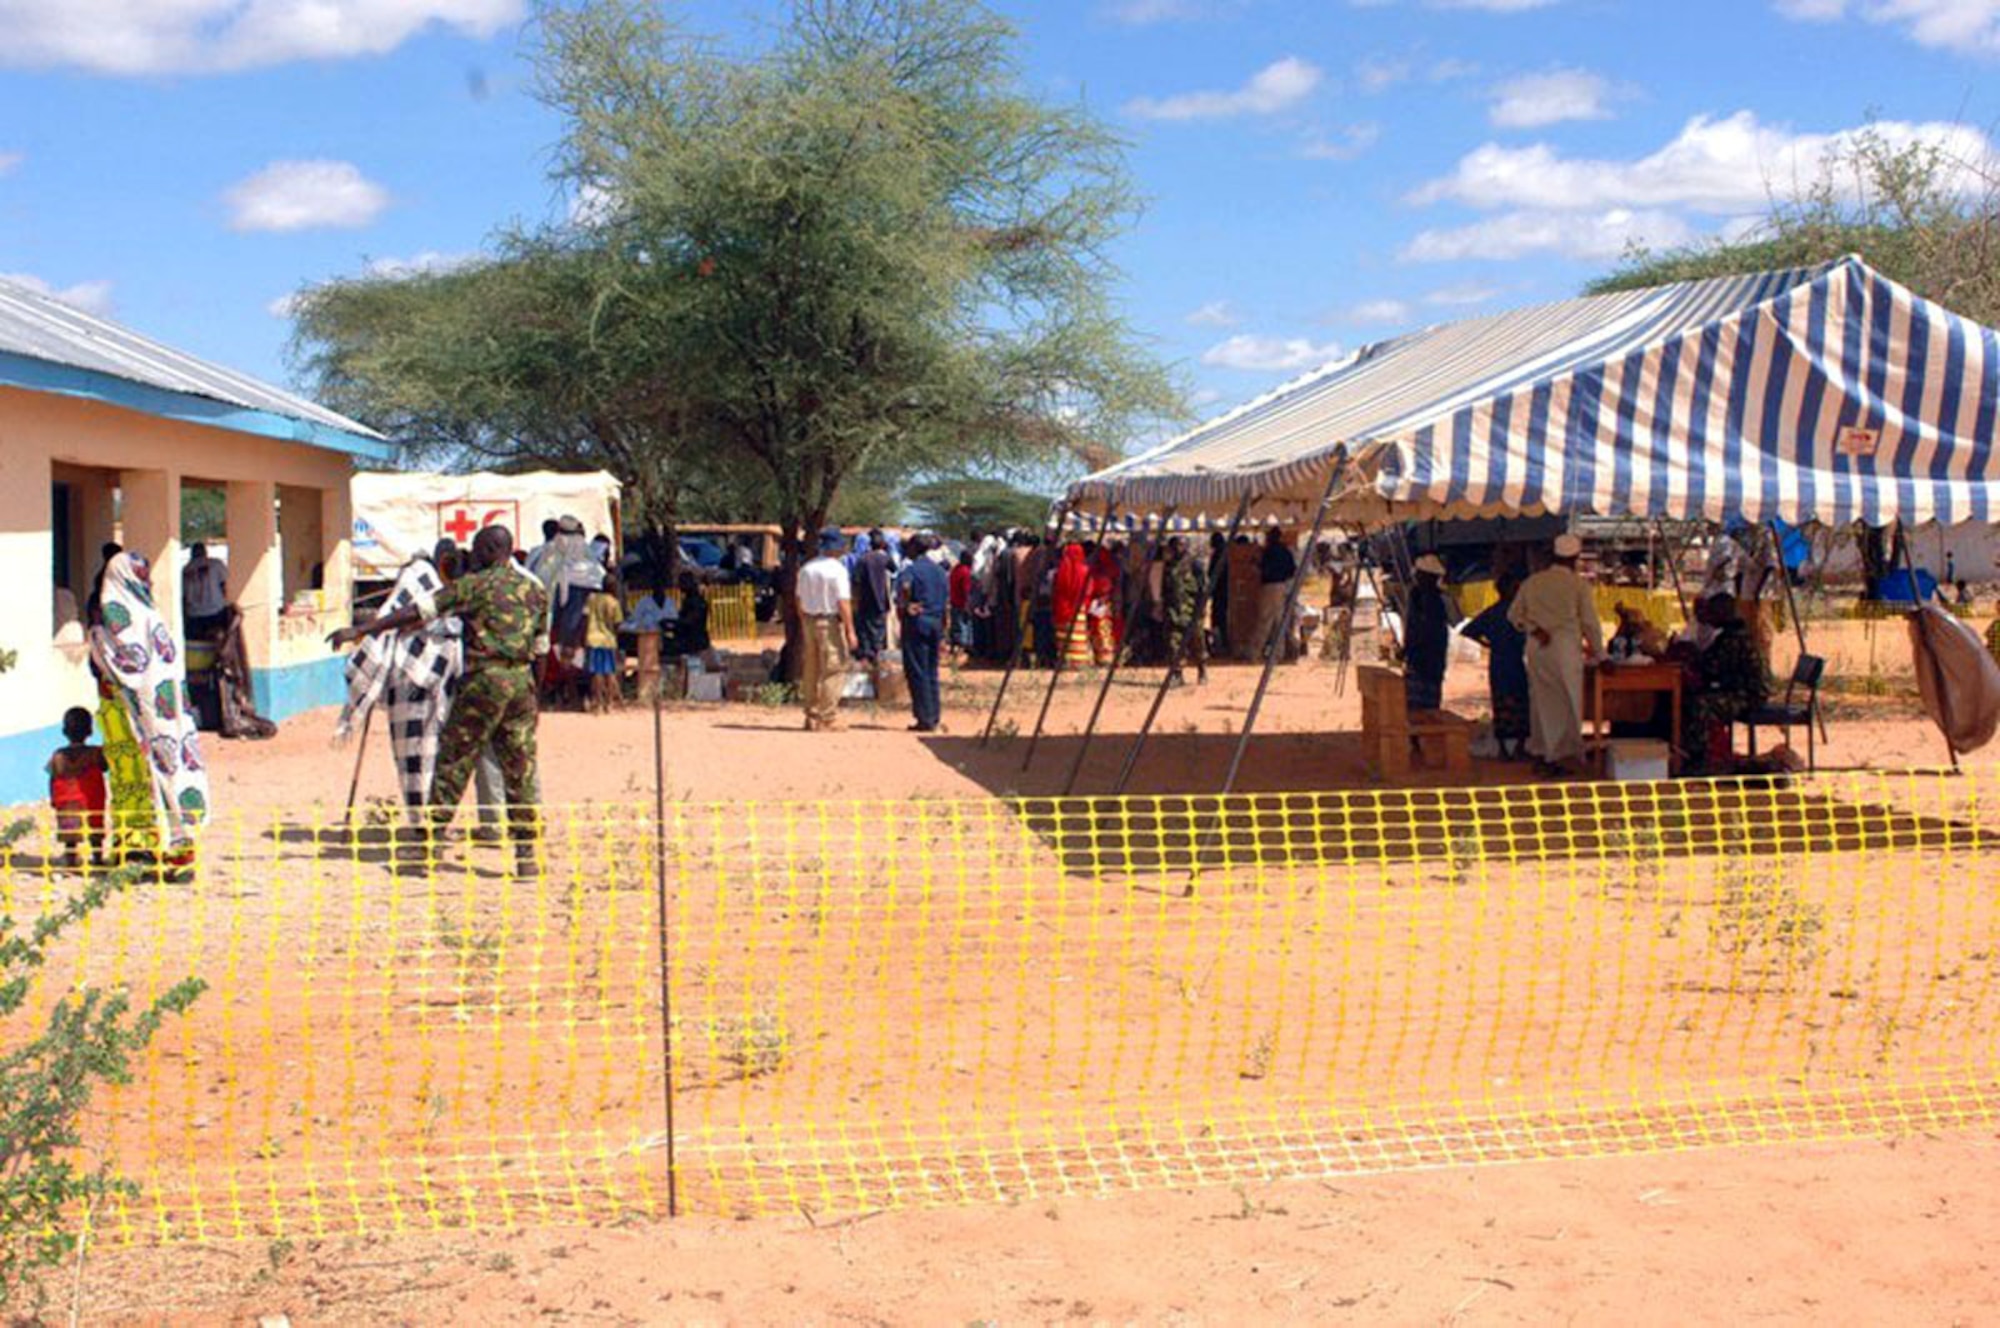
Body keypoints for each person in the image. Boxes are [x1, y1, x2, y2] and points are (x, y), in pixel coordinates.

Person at [330, 524, 547, 867]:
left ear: (491, 549)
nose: (472, 556)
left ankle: (428, 843)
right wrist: (538, 699)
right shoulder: (534, 590)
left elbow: (416, 611)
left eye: (477, 549)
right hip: (522, 684)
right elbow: (541, 649)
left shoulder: (475, 586)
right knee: (520, 766)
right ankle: (526, 855)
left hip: (484, 683)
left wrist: (362, 629)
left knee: (453, 761)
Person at [88, 551, 209, 874]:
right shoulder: (152, 615)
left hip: (136, 715)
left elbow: (121, 665)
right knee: (170, 773)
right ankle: (179, 849)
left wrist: (95, 637)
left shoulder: (119, 618)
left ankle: (145, 851)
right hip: (169, 719)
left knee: (141, 778)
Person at [336, 553, 464, 813]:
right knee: (431, 754)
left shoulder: (416, 586)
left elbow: (393, 621)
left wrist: (363, 633)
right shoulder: (444, 598)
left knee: (414, 757)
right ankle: (431, 818)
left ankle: (422, 819)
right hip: (435, 683)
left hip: (409, 684)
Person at [1509, 535, 1603, 777]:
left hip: (1537, 647)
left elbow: (1514, 615)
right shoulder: (1578, 585)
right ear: (1575, 559)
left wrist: (1534, 629)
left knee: (1541, 700)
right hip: (1564, 648)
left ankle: (1542, 751)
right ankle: (1560, 755)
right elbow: (1590, 623)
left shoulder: (1533, 582)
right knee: (1568, 701)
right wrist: (1601, 654)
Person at [1678, 593, 1768, 774]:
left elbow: (1712, 668)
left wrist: (1694, 656)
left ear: (1723, 613)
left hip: (1747, 696)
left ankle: (1700, 759)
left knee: (1699, 705)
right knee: (1691, 698)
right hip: (1733, 690)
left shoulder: (1735, 638)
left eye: (1712, 612)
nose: (1709, 617)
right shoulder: (1727, 635)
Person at [1462, 571, 1530, 760]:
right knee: (1521, 703)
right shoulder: (1517, 612)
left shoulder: (1492, 612)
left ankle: (1504, 750)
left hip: (1499, 662)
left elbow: (1468, 631)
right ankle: (1519, 747)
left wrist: (1488, 644)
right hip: (1515, 662)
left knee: (1501, 704)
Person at [797, 527, 857, 731]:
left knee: (811, 668)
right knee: (834, 667)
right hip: (827, 621)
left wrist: (804, 620)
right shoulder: (837, 570)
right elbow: (843, 602)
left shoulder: (806, 568)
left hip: (808, 621)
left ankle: (811, 715)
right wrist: (850, 630)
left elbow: (798, 599)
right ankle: (827, 716)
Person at [897, 533, 951, 732]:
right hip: (936, 622)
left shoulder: (911, 570)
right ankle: (934, 715)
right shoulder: (940, 572)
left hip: (917, 623)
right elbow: (947, 603)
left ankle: (924, 718)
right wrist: (945, 631)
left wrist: (905, 605)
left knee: (917, 670)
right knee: (931, 671)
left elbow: (904, 587)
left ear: (913, 549)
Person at [47, 706, 108, 869]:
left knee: (69, 829)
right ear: (90, 730)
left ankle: (71, 859)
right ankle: (97, 858)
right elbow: (105, 767)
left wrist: (53, 798)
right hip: (92, 797)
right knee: (95, 825)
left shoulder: (58, 755)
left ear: (64, 731)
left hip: (66, 798)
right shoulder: (96, 753)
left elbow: (52, 776)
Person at [1402, 555, 1450, 714]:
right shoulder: (1416, 596)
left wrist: (1411, 648)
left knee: (1426, 703)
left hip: (1429, 658)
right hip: (1417, 658)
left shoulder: (1435, 601)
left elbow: (1427, 631)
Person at [1161, 536, 1209, 686]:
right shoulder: (1169, 565)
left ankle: (1202, 669)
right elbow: (1166, 588)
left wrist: (1201, 609)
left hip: (1192, 611)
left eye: (1180, 545)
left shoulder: (1195, 565)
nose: (1177, 548)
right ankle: (1177, 673)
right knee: (1174, 643)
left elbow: (1203, 588)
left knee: (1197, 642)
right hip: (1174, 612)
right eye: (1174, 546)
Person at [1253, 526, 1297, 663]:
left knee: (1264, 620)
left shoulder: (1268, 551)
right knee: (1279, 621)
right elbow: (1292, 570)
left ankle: (1256, 653)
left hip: (1268, 586)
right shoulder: (1285, 552)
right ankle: (1278, 654)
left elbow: (1263, 568)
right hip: (1281, 586)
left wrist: (1256, 563)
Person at [585, 571, 625, 714]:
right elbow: (617, 624)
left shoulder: (592, 598)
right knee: (609, 672)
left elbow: (585, 616)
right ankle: (609, 702)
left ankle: (597, 701)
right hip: (608, 640)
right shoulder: (614, 603)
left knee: (596, 672)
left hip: (593, 638)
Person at [853, 530, 894, 663]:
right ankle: (877, 653)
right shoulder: (885, 558)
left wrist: (855, 599)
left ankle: (866, 653)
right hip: (881, 599)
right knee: (879, 628)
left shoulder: (863, 559)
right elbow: (894, 569)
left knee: (864, 627)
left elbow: (856, 581)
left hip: (865, 600)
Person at [1052, 542, 1092, 668]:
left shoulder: (1061, 570)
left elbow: (1056, 589)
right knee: (1078, 634)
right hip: (1079, 608)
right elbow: (1089, 589)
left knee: (1064, 635)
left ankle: (1065, 661)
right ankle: (1079, 661)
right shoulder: (1085, 571)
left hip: (1063, 607)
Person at [183, 541, 230, 640]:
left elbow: (183, 595)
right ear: (205, 551)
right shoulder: (216, 564)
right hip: (215, 611)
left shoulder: (186, 569)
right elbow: (224, 586)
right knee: (218, 642)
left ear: (191, 553)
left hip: (194, 614)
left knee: (197, 643)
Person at [1086, 542, 1123, 665]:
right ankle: (1106, 656)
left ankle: (1103, 657)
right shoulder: (1109, 568)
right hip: (1104, 603)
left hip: (1101, 603)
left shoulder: (1100, 570)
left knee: (1100, 630)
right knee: (1103, 630)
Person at [674, 570, 711, 657]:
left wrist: (676, 623)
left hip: (695, 641)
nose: (679, 586)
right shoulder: (688, 600)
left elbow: (691, 620)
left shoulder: (695, 601)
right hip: (692, 639)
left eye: (682, 583)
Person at [948, 548, 975, 658]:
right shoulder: (965, 572)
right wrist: (968, 605)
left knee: (956, 626)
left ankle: (956, 648)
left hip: (954, 601)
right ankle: (963, 650)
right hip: (962, 603)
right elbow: (966, 590)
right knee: (963, 626)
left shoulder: (955, 569)